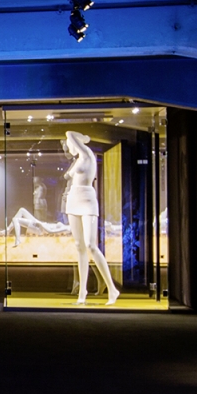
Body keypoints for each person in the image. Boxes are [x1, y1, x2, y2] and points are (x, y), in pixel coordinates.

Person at [62, 130, 119, 305]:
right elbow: (68, 177)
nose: (68, 148)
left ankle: (112, 288)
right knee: (79, 246)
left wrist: (84, 138)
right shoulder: (78, 160)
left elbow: (69, 133)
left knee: (90, 245)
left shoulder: (87, 154)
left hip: (87, 200)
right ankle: (82, 291)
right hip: (73, 199)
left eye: (69, 145)